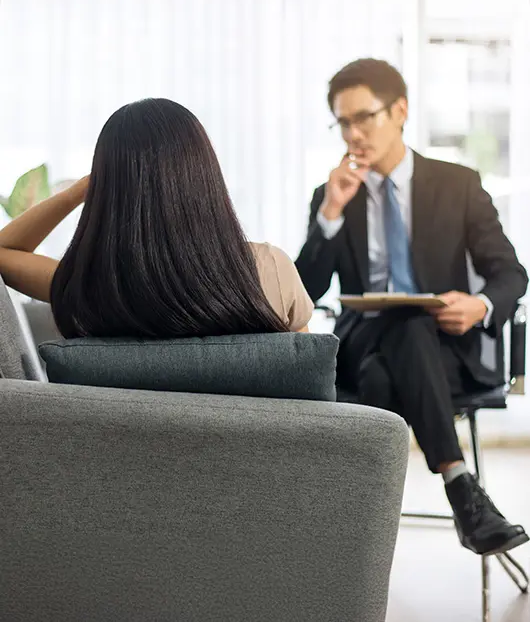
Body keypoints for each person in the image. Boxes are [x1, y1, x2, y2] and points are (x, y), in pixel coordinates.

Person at [296, 58, 529, 557]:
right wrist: (330, 215)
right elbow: (304, 292)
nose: (353, 133)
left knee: (393, 360)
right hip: (362, 341)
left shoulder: (458, 184)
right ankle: (462, 491)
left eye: (364, 117)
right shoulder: (332, 194)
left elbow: (511, 274)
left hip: (443, 351)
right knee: (400, 326)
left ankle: (353, 548)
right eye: (343, 122)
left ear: (399, 110)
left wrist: (481, 304)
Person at [0, 98, 313, 338]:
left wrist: (80, 190)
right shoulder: (270, 268)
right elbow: (306, 380)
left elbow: (4, 252)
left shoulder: (88, 283)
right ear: (204, 175)